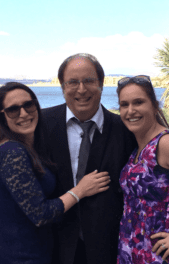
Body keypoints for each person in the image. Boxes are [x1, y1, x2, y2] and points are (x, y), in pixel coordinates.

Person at [0, 81, 111, 264]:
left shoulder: (31, 147)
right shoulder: (13, 152)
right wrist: (80, 190)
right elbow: (40, 214)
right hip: (22, 256)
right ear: (3, 117)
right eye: (13, 110)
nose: (24, 114)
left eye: (29, 105)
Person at [41, 53, 137, 264]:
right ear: (62, 87)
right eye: (73, 82)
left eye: (89, 81)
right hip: (53, 247)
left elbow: (155, 178)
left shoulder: (126, 129)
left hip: (111, 248)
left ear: (101, 85)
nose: (81, 89)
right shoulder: (41, 124)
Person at [116, 75, 169, 263]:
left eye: (138, 102)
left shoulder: (164, 143)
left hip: (157, 254)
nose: (131, 111)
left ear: (155, 106)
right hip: (132, 249)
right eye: (124, 104)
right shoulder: (138, 148)